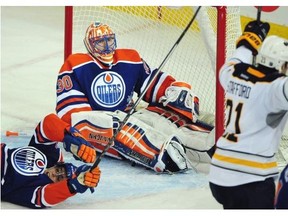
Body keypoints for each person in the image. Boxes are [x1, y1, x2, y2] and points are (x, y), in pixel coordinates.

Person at [56, 21, 215, 174]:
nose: (106, 47)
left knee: (161, 116)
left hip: (129, 115)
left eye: (109, 40)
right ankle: (159, 154)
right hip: (101, 124)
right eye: (100, 42)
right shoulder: (75, 66)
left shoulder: (129, 58)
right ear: (89, 45)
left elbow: (150, 82)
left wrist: (171, 90)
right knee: (118, 126)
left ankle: (207, 144)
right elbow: (74, 115)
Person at [208, 19, 288, 209]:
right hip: (251, 180)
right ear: (280, 64)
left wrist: (251, 38)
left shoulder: (233, 73)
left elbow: (236, 59)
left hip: (219, 175)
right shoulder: (275, 89)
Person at [1, 113, 101, 209]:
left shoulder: (39, 188)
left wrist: (72, 186)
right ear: (58, 164)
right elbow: (46, 124)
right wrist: (70, 136)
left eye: (60, 178)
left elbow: (45, 197)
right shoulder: (51, 156)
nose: (54, 175)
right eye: (58, 171)